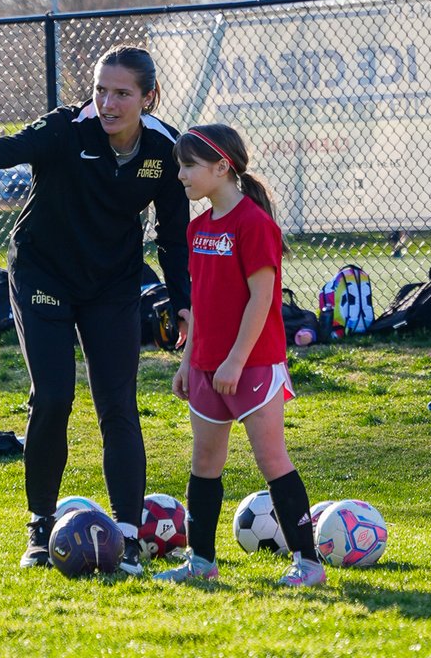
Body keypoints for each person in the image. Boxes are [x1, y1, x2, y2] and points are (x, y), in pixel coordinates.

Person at [0, 45, 190, 575]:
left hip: (111, 283)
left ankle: (127, 539)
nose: (107, 103)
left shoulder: (164, 148)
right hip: (44, 274)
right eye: (100, 90)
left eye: (122, 93)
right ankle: (40, 530)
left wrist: (183, 303)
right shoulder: (67, 128)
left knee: (118, 405)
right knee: (54, 396)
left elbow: (174, 236)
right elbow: (16, 146)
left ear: (148, 97)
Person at [153, 123, 325, 587]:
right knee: (204, 464)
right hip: (206, 366)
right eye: (179, 166)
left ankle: (309, 564)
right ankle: (201, 562)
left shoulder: (254, 224)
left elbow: (261, 299)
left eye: (188, 166)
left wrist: (234, 361)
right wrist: (188, 361)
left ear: (221, 167)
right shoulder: (197, 228)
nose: (181, 175)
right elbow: (201, 302)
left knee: (272, 460)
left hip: (253, 365)